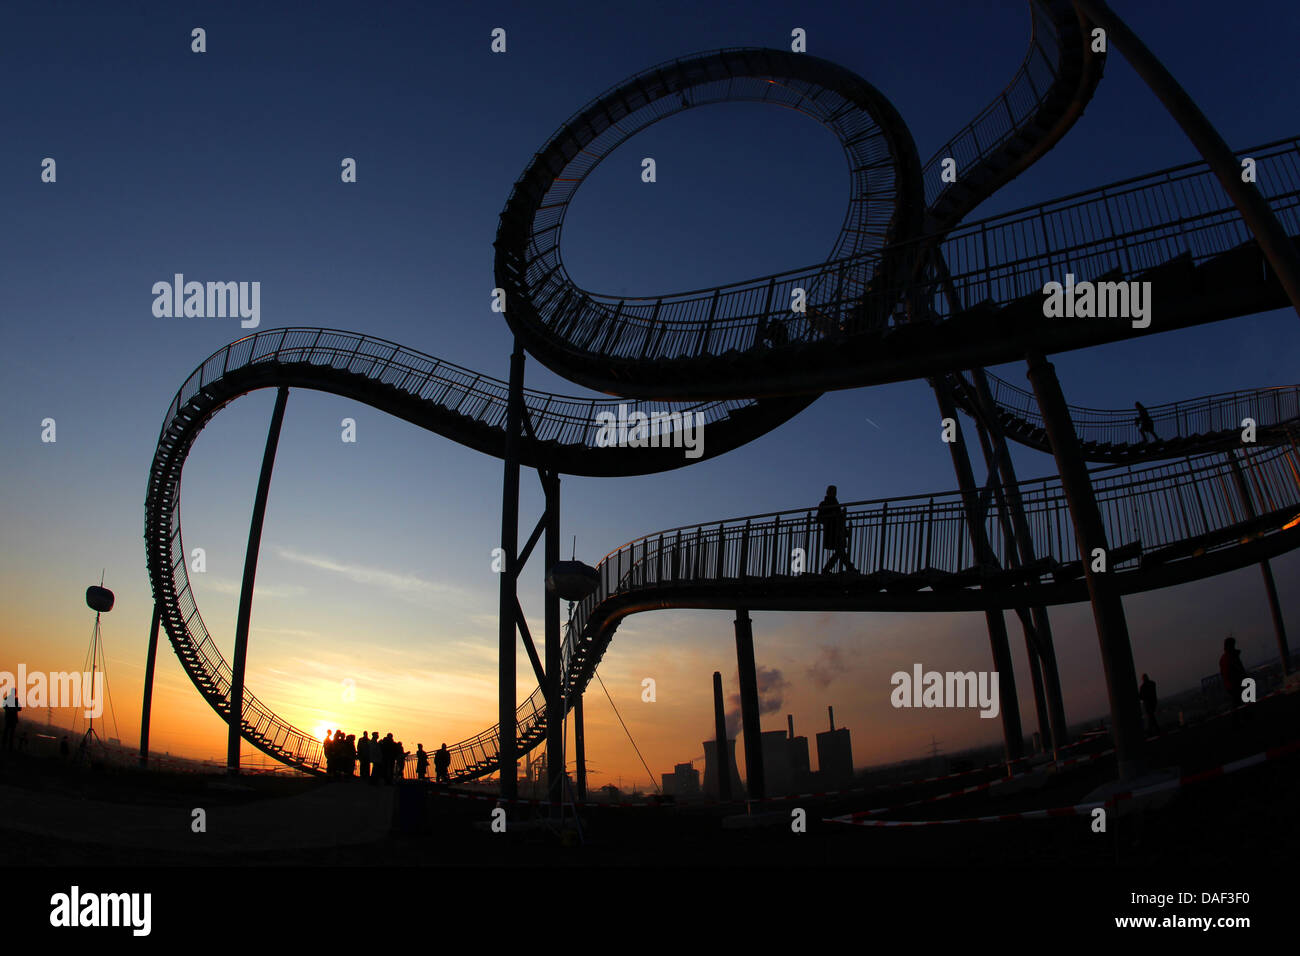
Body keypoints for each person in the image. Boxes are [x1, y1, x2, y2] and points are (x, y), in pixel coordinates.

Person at [817, 485, 856, 573]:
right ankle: (848, 567)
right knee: (840, 551)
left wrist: (845, 531)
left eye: (835, 491)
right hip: (831, 531)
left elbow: (840, 520)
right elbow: (818, 518)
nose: (834, 493)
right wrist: (831, 516)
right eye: (832, 491)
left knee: (840, 551)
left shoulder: (835, 504)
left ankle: (828, 569)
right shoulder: (824, 504)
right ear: (828, 492)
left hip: (837, 531)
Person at [1219, 636, 1247, 719]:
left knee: (1237, 704)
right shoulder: (1231, 657)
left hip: (1231, 686)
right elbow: (1238, 670)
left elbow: (1224, 674)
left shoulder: (1224, 658)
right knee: (1241, 704)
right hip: (1236, 685)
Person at [2, 687, 21, 751]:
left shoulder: (8, 699)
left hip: (9, 718)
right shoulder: (15, 700)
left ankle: (5, 745)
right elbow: (19, 708)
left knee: (7, 733)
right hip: (12, 719)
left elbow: (19, 708)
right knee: (9, 733)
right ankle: (8, 746)